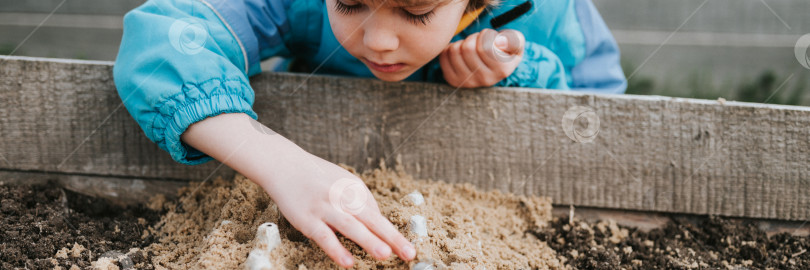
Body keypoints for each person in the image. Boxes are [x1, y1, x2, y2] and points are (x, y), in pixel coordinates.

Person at [113, 0, 625, 267]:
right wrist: (280, 163)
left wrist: (522, 72)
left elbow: (601, 119)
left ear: (473, 6)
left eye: (417, 12)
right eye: (350, 3)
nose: (378, 39)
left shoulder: (550, 13)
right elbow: (165, 37)